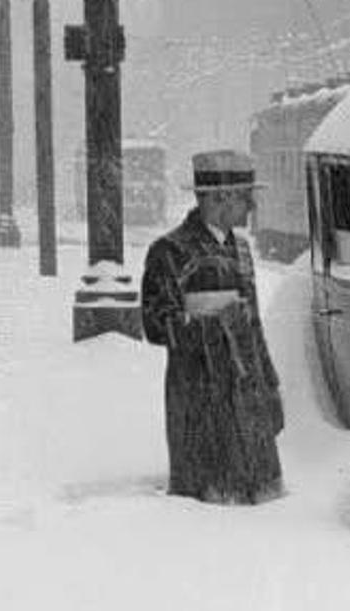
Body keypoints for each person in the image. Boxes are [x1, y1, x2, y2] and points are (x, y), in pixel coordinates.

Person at [141, 149, 284, 504]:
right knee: (208, 511)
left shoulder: (243, 250)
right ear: (221, 198)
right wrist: (216, 327)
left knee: (260, 508)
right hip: (199, 399)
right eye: (245, 196)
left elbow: (254, 326)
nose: (251, 206)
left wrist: (270, 384)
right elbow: (157, 326)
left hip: (247, 397)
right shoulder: (169, 252)